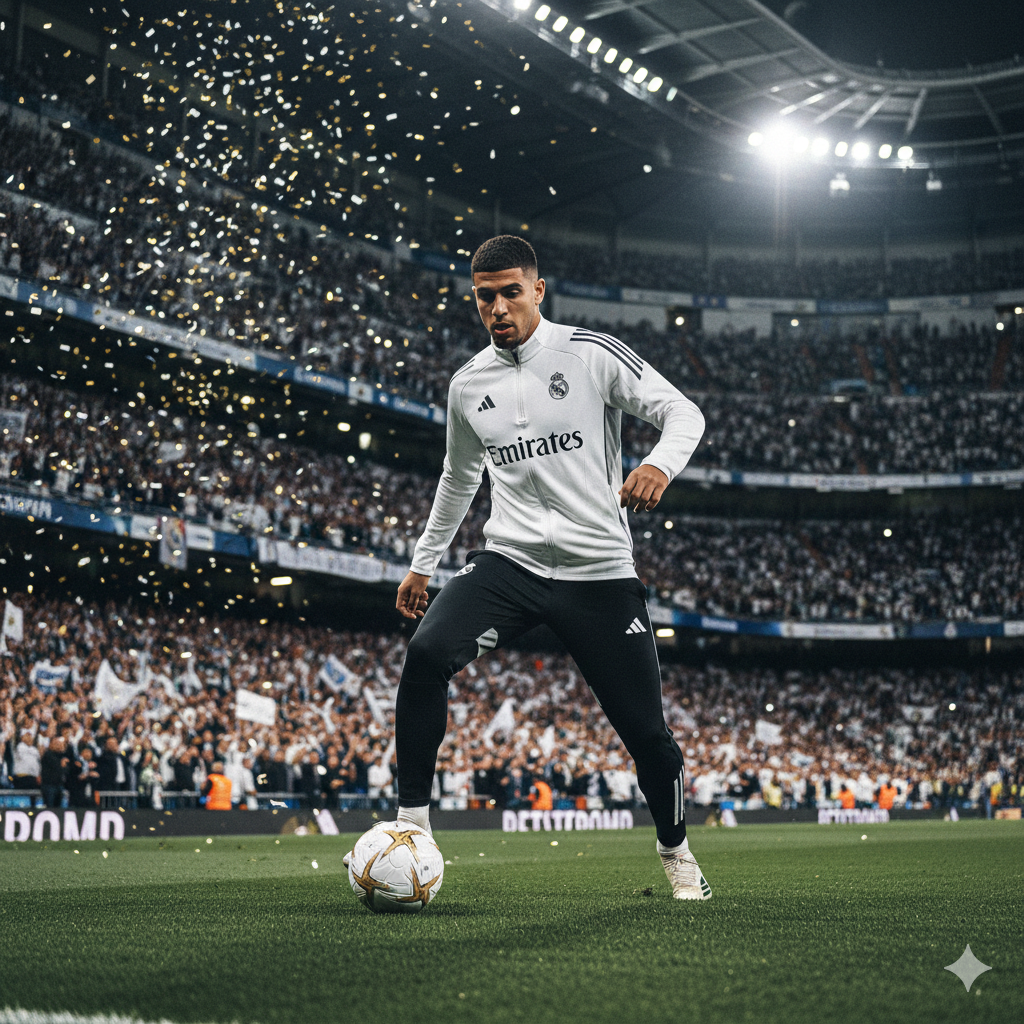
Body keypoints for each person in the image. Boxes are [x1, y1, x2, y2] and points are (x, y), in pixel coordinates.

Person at [380, 235, 710, 899]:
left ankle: (677, 856)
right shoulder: (468, 385)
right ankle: (411, 829)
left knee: (649, 737)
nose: (498, 308)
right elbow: (457, 477)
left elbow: (682, 411)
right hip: (511, 563)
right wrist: (422, 564)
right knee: (427, 653)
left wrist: (656, 465)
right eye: (484, 298)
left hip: (600, 574)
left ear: (537, 289)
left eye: (509, 292)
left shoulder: (588, 354)